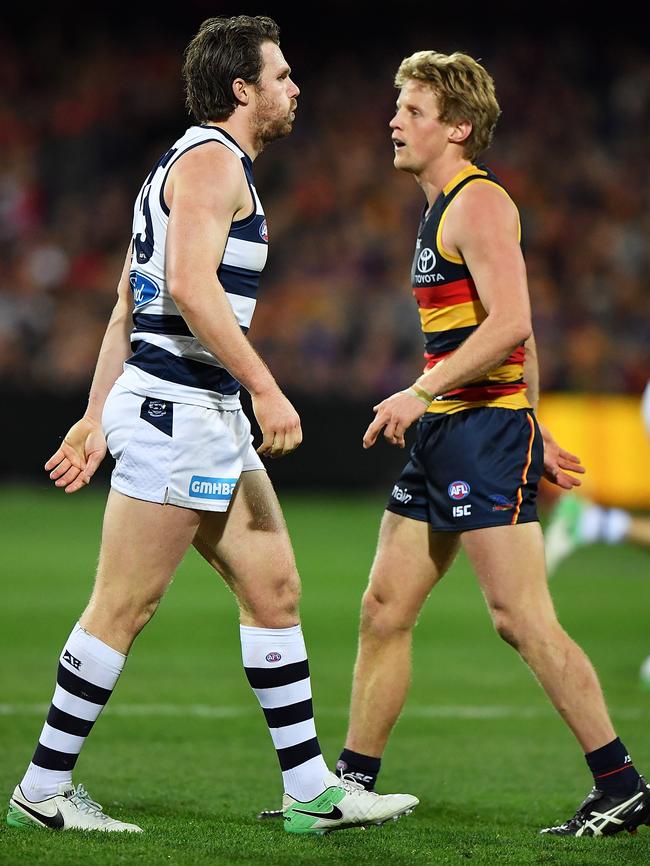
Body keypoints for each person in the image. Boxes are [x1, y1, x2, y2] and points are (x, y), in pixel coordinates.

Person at [6, 16, 417, 836]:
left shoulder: (187, 164)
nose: (296, 87)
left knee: (275, 591)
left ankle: (310, 792)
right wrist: (266, 387)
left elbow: (130, 301)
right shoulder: (209, 162)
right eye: (283, 74)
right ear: (243, 88)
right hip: (180, 412)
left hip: (199, 411)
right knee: (122, 606)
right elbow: (188, 288)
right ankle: (43, 789)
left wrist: (94, 417)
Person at [329, 50, 650, 838]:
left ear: (458, 127)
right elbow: (508, 340)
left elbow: (514, 323)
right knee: (382, 607)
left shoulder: (479, 205)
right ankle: (353, 787)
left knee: (520, 619)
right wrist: (532, 422)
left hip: (474, 431)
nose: (394, 121)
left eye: (412, 110)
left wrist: (425, 392)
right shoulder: (437, 207)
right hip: (455, 429)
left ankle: (622, 784)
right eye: (396, 107)